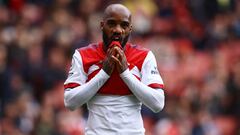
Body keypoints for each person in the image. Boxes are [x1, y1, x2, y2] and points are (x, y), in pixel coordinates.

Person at [64, 3, 165, 135]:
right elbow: (70, 102)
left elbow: (158, 103)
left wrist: (125, 74)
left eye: (124, 25)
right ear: (101, 25)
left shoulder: (144, 56)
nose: (117, 30)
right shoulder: (83, 55)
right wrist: (104, 74)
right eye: (111, 23)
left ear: (130, 29)